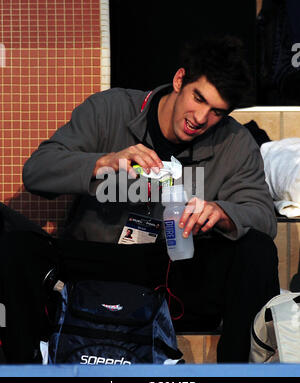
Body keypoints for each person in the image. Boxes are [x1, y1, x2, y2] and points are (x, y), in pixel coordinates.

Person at [0, 35, 280, 363]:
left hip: (173, 272)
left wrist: (222, 212)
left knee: (256, 250)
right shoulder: (111, 109)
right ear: (179, 80)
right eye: (198, 98)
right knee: (15, 247)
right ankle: (25, 365)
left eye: (216, 111)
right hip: (95, 262)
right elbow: (37, 171)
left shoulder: (234, 142)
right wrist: (102, 162)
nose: (201, 118)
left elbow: (263, 214)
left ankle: (237, 370)